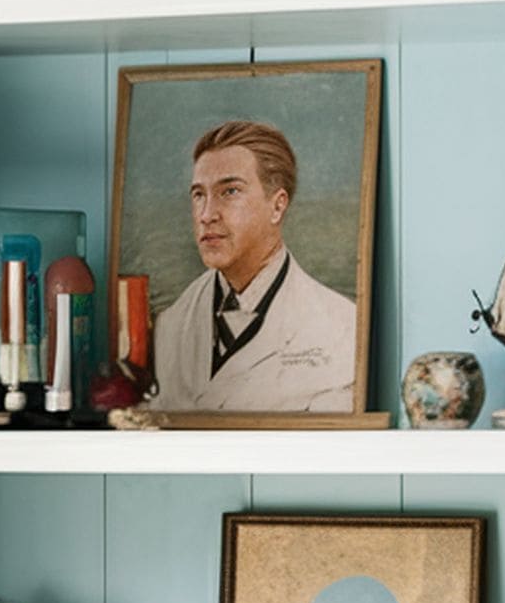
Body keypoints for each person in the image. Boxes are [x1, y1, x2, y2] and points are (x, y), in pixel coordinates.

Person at [150, 119, 357, 413]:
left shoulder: (343, 331)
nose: (207, 215)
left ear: (277, 206)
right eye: (199, 195)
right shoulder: (169, 326)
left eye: (230, 191)